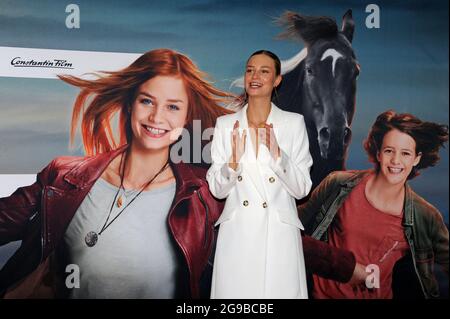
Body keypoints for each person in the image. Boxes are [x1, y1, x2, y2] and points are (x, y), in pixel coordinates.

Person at [1, 48, 360, 299]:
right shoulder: (65, 177)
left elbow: (273, 234)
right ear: (129, 104)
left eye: (173, 106)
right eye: (147, 101)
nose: (158, 118)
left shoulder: (198, 193)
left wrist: (351, 269)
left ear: (186, 117)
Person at [299, 110, 449, 299]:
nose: (396, 160)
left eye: (405, 153)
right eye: (389, 151)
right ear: (378, 153)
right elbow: (293, 227)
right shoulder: (338, 184)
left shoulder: (425, 215)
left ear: (416, 159)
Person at [207, 50, 313, 298]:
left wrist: (278, 153)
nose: (255, 76)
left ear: (277, 80)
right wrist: (232, 162)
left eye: (264, 71)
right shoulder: (225, 125)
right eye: (250, 70)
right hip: (238, 235)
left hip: (278, 236)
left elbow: (302, 189)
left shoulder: (293, 123)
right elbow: (216, 189)